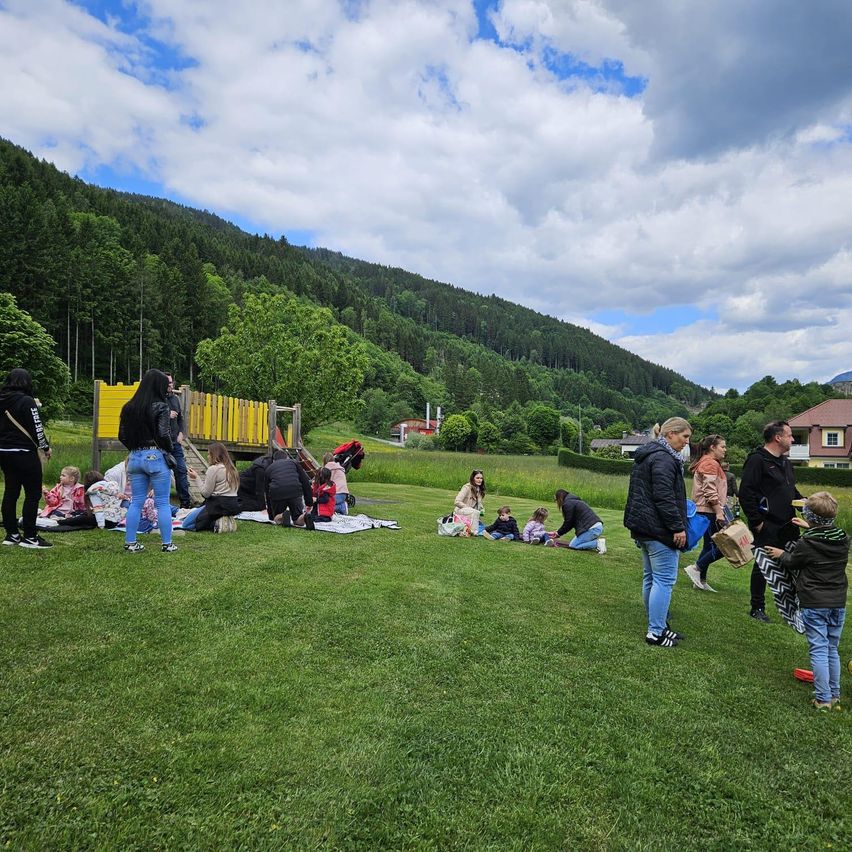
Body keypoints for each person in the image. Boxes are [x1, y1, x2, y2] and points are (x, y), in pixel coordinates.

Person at [765, 492, 848, 710]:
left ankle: (822, 699)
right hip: (838, 603)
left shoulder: (806, 543)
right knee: (831, 648)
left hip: (814, 602)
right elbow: (824, 536)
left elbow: (793, 562)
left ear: (809, 516)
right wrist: (810, 527)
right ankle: (835, 695)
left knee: (818, 649)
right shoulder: (843, 539)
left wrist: (781, 553)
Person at [624, 417, 692, 648]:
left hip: (644, 527)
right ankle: (655, 632)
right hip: (658, 530)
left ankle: (659, 625)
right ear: (670, 434)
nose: (686, 442)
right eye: (685, 437)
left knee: (651, 578)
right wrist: (677, 527)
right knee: (663, 581)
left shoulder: (649, 455)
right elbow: (664, 497)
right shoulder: (664, 459)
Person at [739, 420, 802, 623]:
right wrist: (757, 522)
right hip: (767, 523)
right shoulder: (757, 460)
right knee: (763, 566)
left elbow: (790, 489)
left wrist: (806, 503)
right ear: (778, 437)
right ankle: (757, 607)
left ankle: (792, 608)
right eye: (790, 435)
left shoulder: (785, 461)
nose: (792, 439)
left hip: (789, 523)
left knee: (793, 563)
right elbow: (746, 493)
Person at [117, 368, 176, 553]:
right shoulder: (161, 406)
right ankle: (167, 544)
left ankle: (131, 542)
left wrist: (135, 449)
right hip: (156, 456)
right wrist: (169, 449)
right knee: (162, 502)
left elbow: (122, 435)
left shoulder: (128, 407)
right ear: (158, 386)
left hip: (135, 456)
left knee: (136, 501)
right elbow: (163, 433)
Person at [0, 368, 53, 548]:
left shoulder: (2, 399)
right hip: (24, 451)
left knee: (11, 492)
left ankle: (11, 534)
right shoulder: (27, 401)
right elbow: (36, 427)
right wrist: (45, 447)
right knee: (32, 493)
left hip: (4, 452)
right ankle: (30, 536)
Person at [683, 435, 729, 592]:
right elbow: (709, 490)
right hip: (709, 510)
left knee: (709, 546)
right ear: (712, 447)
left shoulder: (709, 462)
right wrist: (719, 512)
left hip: (706, 509)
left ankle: (700, 580)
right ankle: (696, 568)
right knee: (724, 547)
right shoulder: (709, 463)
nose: (725, 450)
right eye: (722, 446)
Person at [183, 443, 241, 532]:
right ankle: (224, 520)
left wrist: (196, 478)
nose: (208, 456)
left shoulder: (214, 469)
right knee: (196, 512)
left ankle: (217, 523)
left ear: (215, 455)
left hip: (217, 506)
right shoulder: (233, 469)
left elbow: (206, 494)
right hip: (232, 505)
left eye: (209, 454)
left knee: (187, 524)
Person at [264, 450, 313, 527]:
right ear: (287, 457)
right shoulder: (294, 463)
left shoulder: (269, 469)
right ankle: (305, 516)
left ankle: (282, 515)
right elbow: (305, 482)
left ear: (273, 460)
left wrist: (271, 515)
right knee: (297, 520)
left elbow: (267, 492)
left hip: (278, 493)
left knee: (277, 519)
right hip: (295, 491)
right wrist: (309, 502)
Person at [166, 374, 191, 509]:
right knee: (162, 473)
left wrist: (181, 433)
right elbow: (151, 417)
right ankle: (158, 504)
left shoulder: (175, 399)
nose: (170, 384)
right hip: (161, 444)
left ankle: (185, 505)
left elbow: (180, 418)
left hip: (175, 443)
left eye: (171, 382)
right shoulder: (157, 399)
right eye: (168, 382)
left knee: (181, 471)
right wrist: (166, 414)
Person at [454, 470, 487, 536]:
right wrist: (468, 508)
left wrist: (481, 508)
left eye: (481, 478)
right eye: (477, 478)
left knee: (484, 528)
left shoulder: (479, 489)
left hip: (472, 514)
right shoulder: (466, 487)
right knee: (476, 513)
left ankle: (471, 530)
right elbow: (457, 502)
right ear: (473, 478)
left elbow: (478, 503)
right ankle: (473, 532)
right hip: (461, 512)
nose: (480, 480)